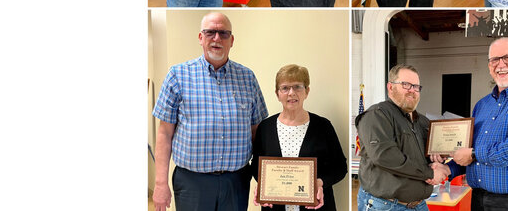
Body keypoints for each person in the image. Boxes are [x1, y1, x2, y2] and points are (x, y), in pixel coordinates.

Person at [152, 12, 269, 211]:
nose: (217, 38)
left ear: (231, 41)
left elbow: (258, 132)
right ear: (200, 38)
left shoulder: (248, 78)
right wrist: (160, 184)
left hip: (236, 182)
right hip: (192, 183)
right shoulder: (178, 75)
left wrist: (264, 181)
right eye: (210, 32)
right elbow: (164, 133)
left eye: (223, 33)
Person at [432, 37, 508, 211]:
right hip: (478, 199)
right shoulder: (482, 105)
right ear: (489, 66)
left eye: (507, 57)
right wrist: (447, 168)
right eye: (494, 59)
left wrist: (473, 154)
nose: (500, 64)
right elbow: (471, 152)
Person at [251, 64, 347, 210]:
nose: (291, 93)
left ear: (307, 91)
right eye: (285, 88)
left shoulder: (323, 126)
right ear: (277, 94)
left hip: (316, 207)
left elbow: (340, 167)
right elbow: (256, 166)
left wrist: (319, 182)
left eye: (297, 87)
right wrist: (263, 185)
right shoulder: (265, 128)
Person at [355, 64, 448, 211]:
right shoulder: (376, 115)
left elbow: (423, 157)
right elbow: (385, 156)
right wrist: (430, 173)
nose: (412, 90)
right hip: (385, 206)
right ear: (390, 87)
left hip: (420, 205)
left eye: (416, 86)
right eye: (406, 85)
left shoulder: (423, 122)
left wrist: (439, 159)